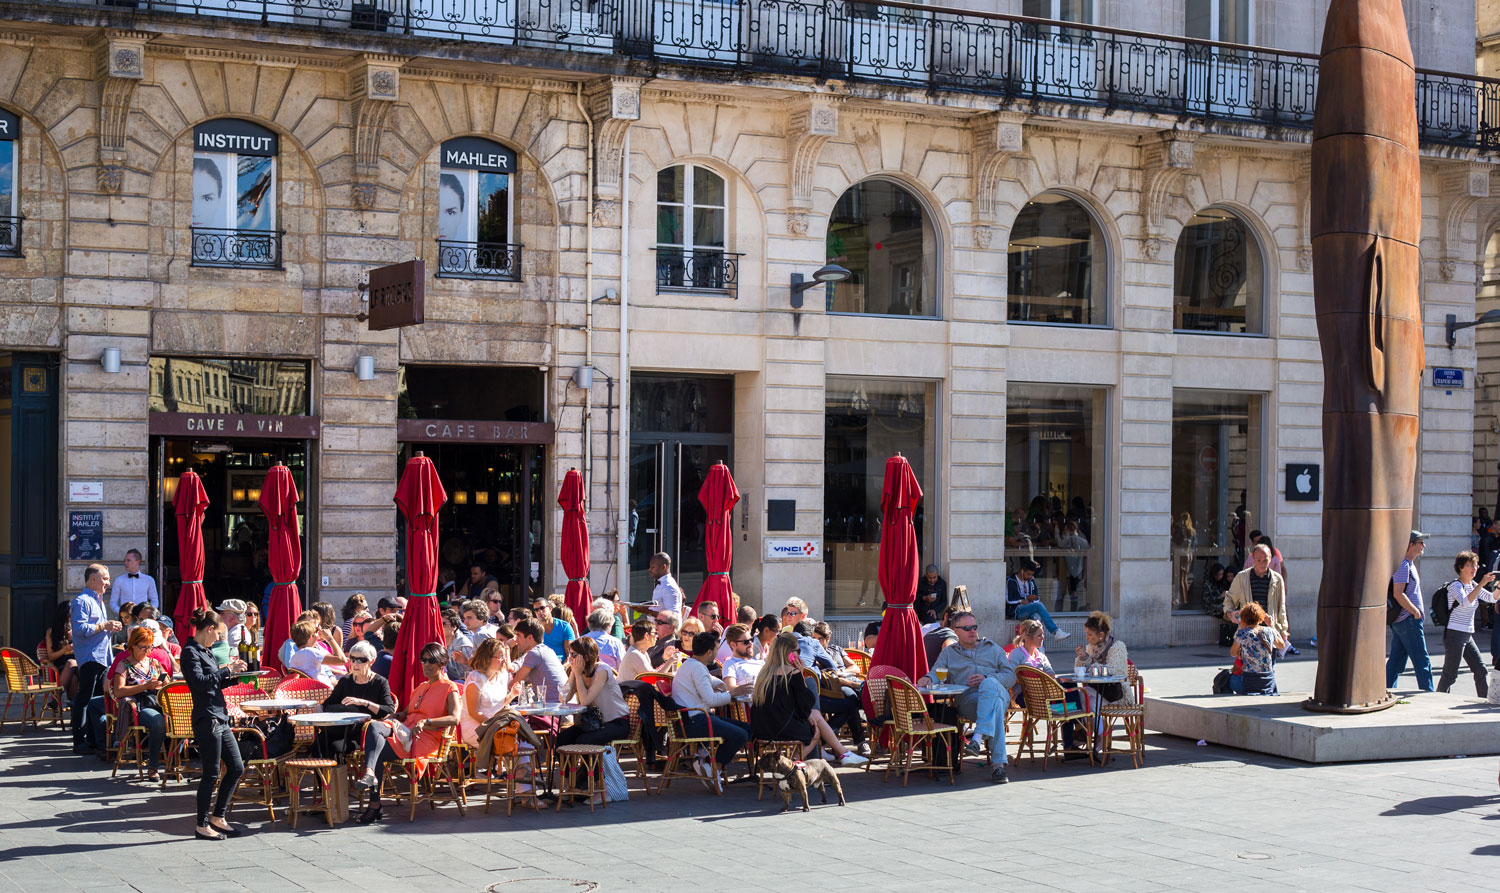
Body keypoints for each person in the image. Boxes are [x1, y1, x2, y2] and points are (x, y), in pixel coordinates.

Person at [353, 642, 461, 825]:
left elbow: (455, 718)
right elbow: (408, 713)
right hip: (407, 732)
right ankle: (370, 774)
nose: (426, 664)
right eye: (423, 660)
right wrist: (397, 715)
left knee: (375, 750)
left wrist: (427, 722)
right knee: (373, 727)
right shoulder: (421, 687)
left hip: (425, 738)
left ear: (442, 664)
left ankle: (374, 805)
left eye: (431, 661)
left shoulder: (449, 688)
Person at [918, 611, 1017, 784]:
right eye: (967, 628)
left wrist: (987, 678)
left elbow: (1010, 677)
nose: (972, 631)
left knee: (989, 685)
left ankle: (978, 736)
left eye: (974, 627)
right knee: (996, 709)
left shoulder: (993, 648)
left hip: (998, 693)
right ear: (956, 631)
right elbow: (936, 672)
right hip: (969, 700)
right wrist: (927, 678)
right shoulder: (949, 652)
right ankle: (998, 767)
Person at [180, 608, 248, 840]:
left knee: (236, 767)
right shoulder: (190, 652)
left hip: (219, 715)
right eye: (218, 634)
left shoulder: (205, 651)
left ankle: (218, 816)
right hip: (206, 717)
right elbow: (200, 683)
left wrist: (233, 676)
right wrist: (225, 670)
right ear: (209, 629)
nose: (219, 639)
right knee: (211, 773)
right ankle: (202, 823)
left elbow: (213, 684)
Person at [751, 630, 867, 765]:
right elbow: (806, 702)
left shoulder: (764, 673)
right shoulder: (792, 673)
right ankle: (791, 764)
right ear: (790, 654)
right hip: (782, 728)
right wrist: (800, 675)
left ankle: (844, 754)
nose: (799, 654)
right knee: (815, 732)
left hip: (761, 728)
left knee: (814, 715)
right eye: (798, 652)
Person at [669, 631, 752, 781]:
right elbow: (711, 700)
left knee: (746, 730)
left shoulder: (692, 664)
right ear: (709, 652)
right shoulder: (697, 668)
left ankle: (709, 763)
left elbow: (712, 681)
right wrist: (734, 692)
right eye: (715, 649)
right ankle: (711, 765)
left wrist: (721, 686)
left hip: (691, 719)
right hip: (695, 721)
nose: (716, 652)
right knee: (742, 734)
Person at [71, 563, 121, 754]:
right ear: (93, 579)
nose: (108, 583)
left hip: (101, 656)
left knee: (96, 699)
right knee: (85, 698)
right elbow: (80, 629)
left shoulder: (98, 600)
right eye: (105, 578)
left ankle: (92, 739)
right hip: (90, 656)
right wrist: (104, 626)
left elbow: (98, 627)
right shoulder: (82, 601)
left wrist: (108, 626)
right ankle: (79, 740)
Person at [109, 627, 170, 781]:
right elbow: (118, 691)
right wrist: (144, 686)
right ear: (133, 646)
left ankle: (173, 764)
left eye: (149, 647)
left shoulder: (154, 663)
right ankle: (153, 766)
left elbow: (166, 684)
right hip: (140, 706)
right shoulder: (124, 665)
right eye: (143, 647)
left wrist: (163, 683)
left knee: (181, 718)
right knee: (157, 721)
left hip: (157, 702)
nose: (146, 650)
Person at [318, 640, 395, 758]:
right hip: (342, 729)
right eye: (352, 659)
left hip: (363, 733)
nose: (355, 663)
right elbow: (329, 703)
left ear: (371, 662)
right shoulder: (346, 681)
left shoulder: (380, 682)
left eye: (361, 660)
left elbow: (389, 710)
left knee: (333, 747)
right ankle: (324, 776)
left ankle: (336, 776)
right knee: (320, 741)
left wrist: (364, 703)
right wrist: (319, 707)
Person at [556, 637, 631, 751]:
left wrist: (578, 674)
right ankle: (569, 769)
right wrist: (574, 673)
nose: (569, 658)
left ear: (585, 657)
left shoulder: (602, 670)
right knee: (563, 738)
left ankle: (591, 769)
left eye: (573, 655)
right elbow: (563, 698)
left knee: (585, 741)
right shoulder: (578, 672)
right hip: (594, 723)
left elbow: (585, 700)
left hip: (617, 722)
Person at [1438, 550, 1495, 697]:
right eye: (1470, 565)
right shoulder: (1455, 586)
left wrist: (1498, 586)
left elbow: (1491, 598)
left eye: (1475, 565)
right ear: (1461, 567)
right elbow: (1465, 602)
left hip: (1467, 634)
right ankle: (1438, 699)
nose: (1474, 568)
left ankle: (1484, 700)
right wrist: (1482, 583)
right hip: (1455, 634)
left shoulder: (1473, 585)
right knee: (1450, 674)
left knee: (1481, 670)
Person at [1387, 531, 1434, 692]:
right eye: (1420, 542)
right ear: (1410, 545)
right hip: (1408, 619)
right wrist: (1415, 612)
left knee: (1396, 661)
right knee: (1422, 660)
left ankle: (1387, 690)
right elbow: (1398, 593)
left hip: (1404, 619)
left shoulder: (1407, 564)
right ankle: (1428, 693)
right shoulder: (1403, 565)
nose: (1424, 545)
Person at [1223, 544, 1289, 644]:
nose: (1262, 564)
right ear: (1253, 559)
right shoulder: (1242, 577)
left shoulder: (1277, 579)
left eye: (1265, 560)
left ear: (1270, 558)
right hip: (1248, 633)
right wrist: (1230, 613)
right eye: (1258, 560)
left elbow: (1281, 607)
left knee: (1270, 660)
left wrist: (1283, 630)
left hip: (1270, 634)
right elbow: (1229, 600)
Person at [460, 637, 512, 747]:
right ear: (487, 658)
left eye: (505, 657)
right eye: (500, 657)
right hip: (476, 727)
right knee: (507, 740)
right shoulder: (476, 679)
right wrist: (495, 725)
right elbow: (474, 712)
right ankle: (500, 764)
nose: (504, 660)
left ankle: (524, 764)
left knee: (519, 738)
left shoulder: (502, 675)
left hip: (496, 724)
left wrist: (513, 694)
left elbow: (497, 703)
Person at [1074, 611, 1133, 707]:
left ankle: (1090, 722)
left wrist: (1093, 666)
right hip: (1097, 689)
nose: (1086, 637)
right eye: (1086, 634)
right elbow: (1081, 670)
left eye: (1090, 634)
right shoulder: (1091, 647)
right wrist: (1083, 657)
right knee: (1078, 697)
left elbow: (1112, 670)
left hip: (1116, 694)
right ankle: (1082, 722)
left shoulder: (1117, 647)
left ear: (1101, 635)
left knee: (1091, 703)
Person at [1228, 602, 1283, 695]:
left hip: (1249, 681)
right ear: (1260, 618)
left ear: (1243, 618)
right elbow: (1281, 645)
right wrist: (1272, 626)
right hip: (1268, 681)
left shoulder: (1242, 634)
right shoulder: (1269, 631)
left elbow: (1232, 653)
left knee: (1225, 679)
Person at [1006, 560, 1070, 638]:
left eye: (1031, 574)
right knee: (1038, 606)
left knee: (1036, 618)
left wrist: (1033, 599)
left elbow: (1037, 599)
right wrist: (1022, 600)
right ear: (1022, 571)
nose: (1030, 577)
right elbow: (1009, 599)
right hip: (1017, 610)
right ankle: (1055, 631)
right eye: (1028, 574)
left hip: (1030, 608)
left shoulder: (1031, 580)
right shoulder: (1011, 580)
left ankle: (1039, 647)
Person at [511, 617, 568, 702]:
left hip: (555, 710)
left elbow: (513, 685)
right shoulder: (548, 650)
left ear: (530, 637)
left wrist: (507, 647)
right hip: (563, 707)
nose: (515, 640)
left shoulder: (534, 653)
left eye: (518, 635)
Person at [286, 618, 346, 687]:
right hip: (325, 692)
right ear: (310, 637)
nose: (318, 635)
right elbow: (342, 660)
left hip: (316, 691)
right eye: (316, 633)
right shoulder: (310, 652)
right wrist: (329, 638)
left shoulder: (294, 657)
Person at [109, 549, 159, 616]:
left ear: (137, 562)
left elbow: (155, 600)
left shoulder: (149, 580)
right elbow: (113, 602)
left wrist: (147, 613)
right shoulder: (119, 580)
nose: (125, 563)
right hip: (125, 619)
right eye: (125, 560)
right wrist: (122, 613)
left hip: (142, 618)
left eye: (128, 560)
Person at [43, 602, 78, 699]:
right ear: (63, 616)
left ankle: (56, 698)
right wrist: (64, 650)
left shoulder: (78, 629)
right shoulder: (52, 631)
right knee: (73, 679)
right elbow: (51, 656)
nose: (71, 619)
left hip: (78, 663)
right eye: (69, 616)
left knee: (71, 662)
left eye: (73, 615)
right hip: (60, 668)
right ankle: (74, 710)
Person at [442, 608, 474, 679]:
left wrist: (466, 661)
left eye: (443, 624)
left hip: (463, 683)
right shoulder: (438, 642)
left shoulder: (464, 645)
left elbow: (477, 669)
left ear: (454, 626)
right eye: (438, 623)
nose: (440, 627)